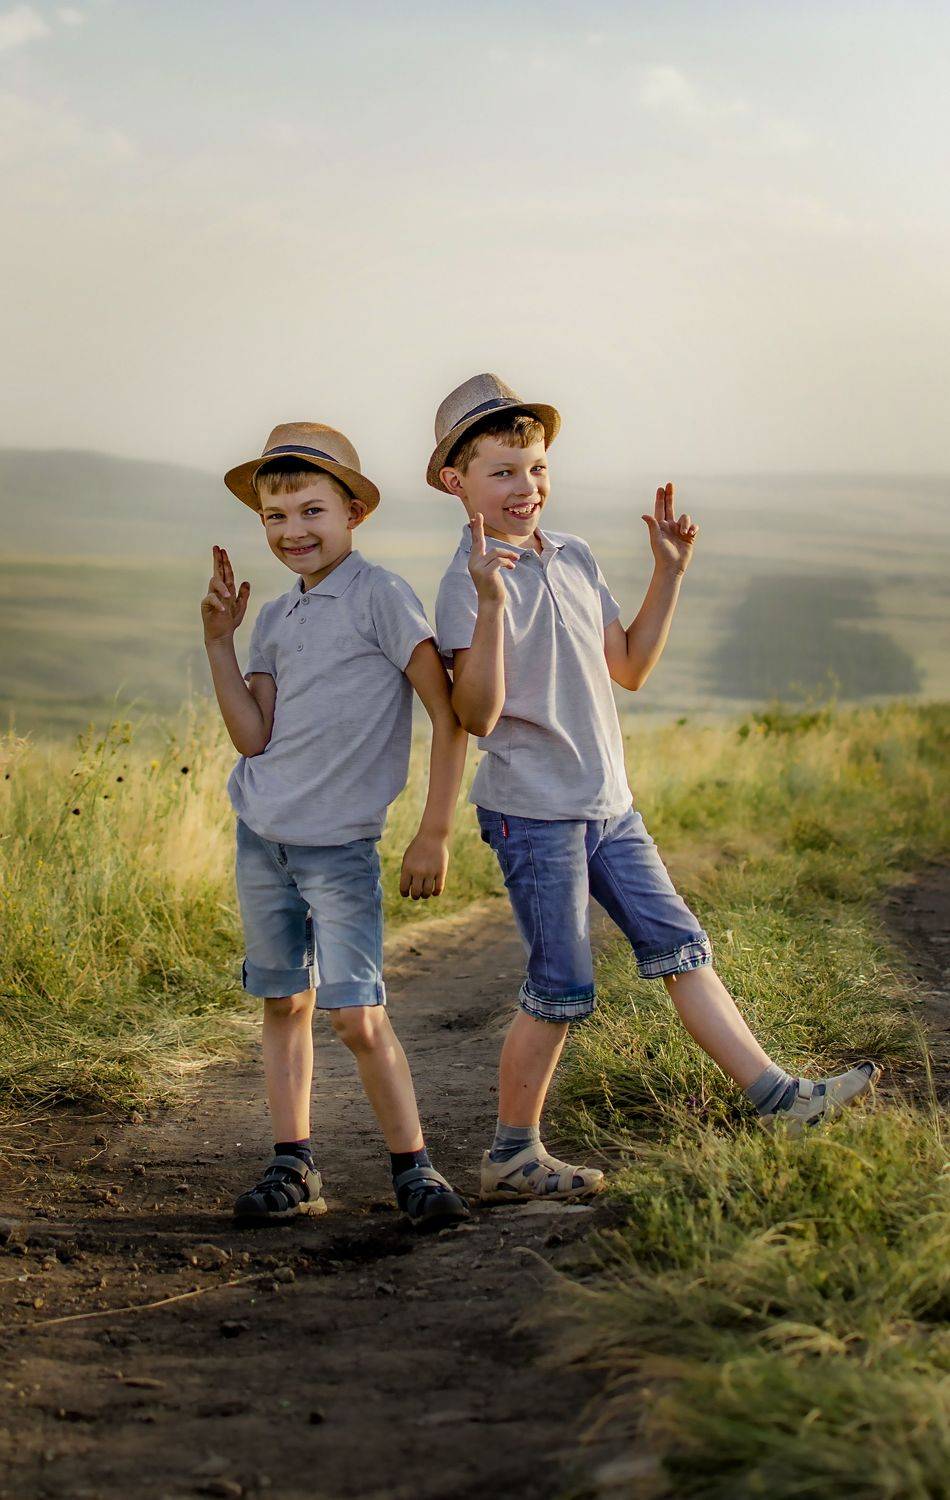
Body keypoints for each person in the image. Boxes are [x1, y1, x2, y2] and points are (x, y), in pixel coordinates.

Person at [431, 374, 880, 1202]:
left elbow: (630, 666)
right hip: (535, 812)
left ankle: (781, 1100)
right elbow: (478, 715)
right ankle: (510, 1155)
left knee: (683, 948)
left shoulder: (574, 556)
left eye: (536, 467)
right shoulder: (467, 580)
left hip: (610, 805)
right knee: (562, 985)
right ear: (457, 482)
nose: (526, 487)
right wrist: (492, 603)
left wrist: (668, 572)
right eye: (502, 472)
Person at [202, 421, 469, 1229]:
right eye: (275, 517)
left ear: (354, 512)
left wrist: (434, 831)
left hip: (340, 848)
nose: (294, 531)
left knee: (356, 1015)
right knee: (284, 1003)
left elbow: (448, 716)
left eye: (312, 511)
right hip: (263, 839)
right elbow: (253, 737)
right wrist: (219, 642)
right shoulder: (275, 617)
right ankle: (293, 1165)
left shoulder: (381, 596)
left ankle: (415, 1169)